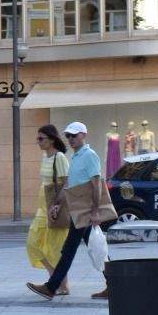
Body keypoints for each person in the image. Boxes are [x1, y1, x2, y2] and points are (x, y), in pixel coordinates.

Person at [27, 121, 110, 300]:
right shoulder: (76, 156)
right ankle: (113, 283)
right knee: (95, 247)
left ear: (83, 135)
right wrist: (56, 203)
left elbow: (96, 185)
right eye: (68, 136)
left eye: (74, 135)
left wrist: (95, 212)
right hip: (77, 208)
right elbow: (68, 185)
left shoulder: (89, 155)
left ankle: (52, 286)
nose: (71, 139)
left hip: (85, 209)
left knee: (71, 249)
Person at [24, 124, 70, 292]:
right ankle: (55, 280)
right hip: (43, 208)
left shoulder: (60, 158)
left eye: (41, 138)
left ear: (51, 139)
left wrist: (56, 205)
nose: (38, 142)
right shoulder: (46, 157)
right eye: (37, 138)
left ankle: (61, 285)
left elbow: (67, 183)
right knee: (33, 243)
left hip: (55, 208)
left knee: (55, 248)